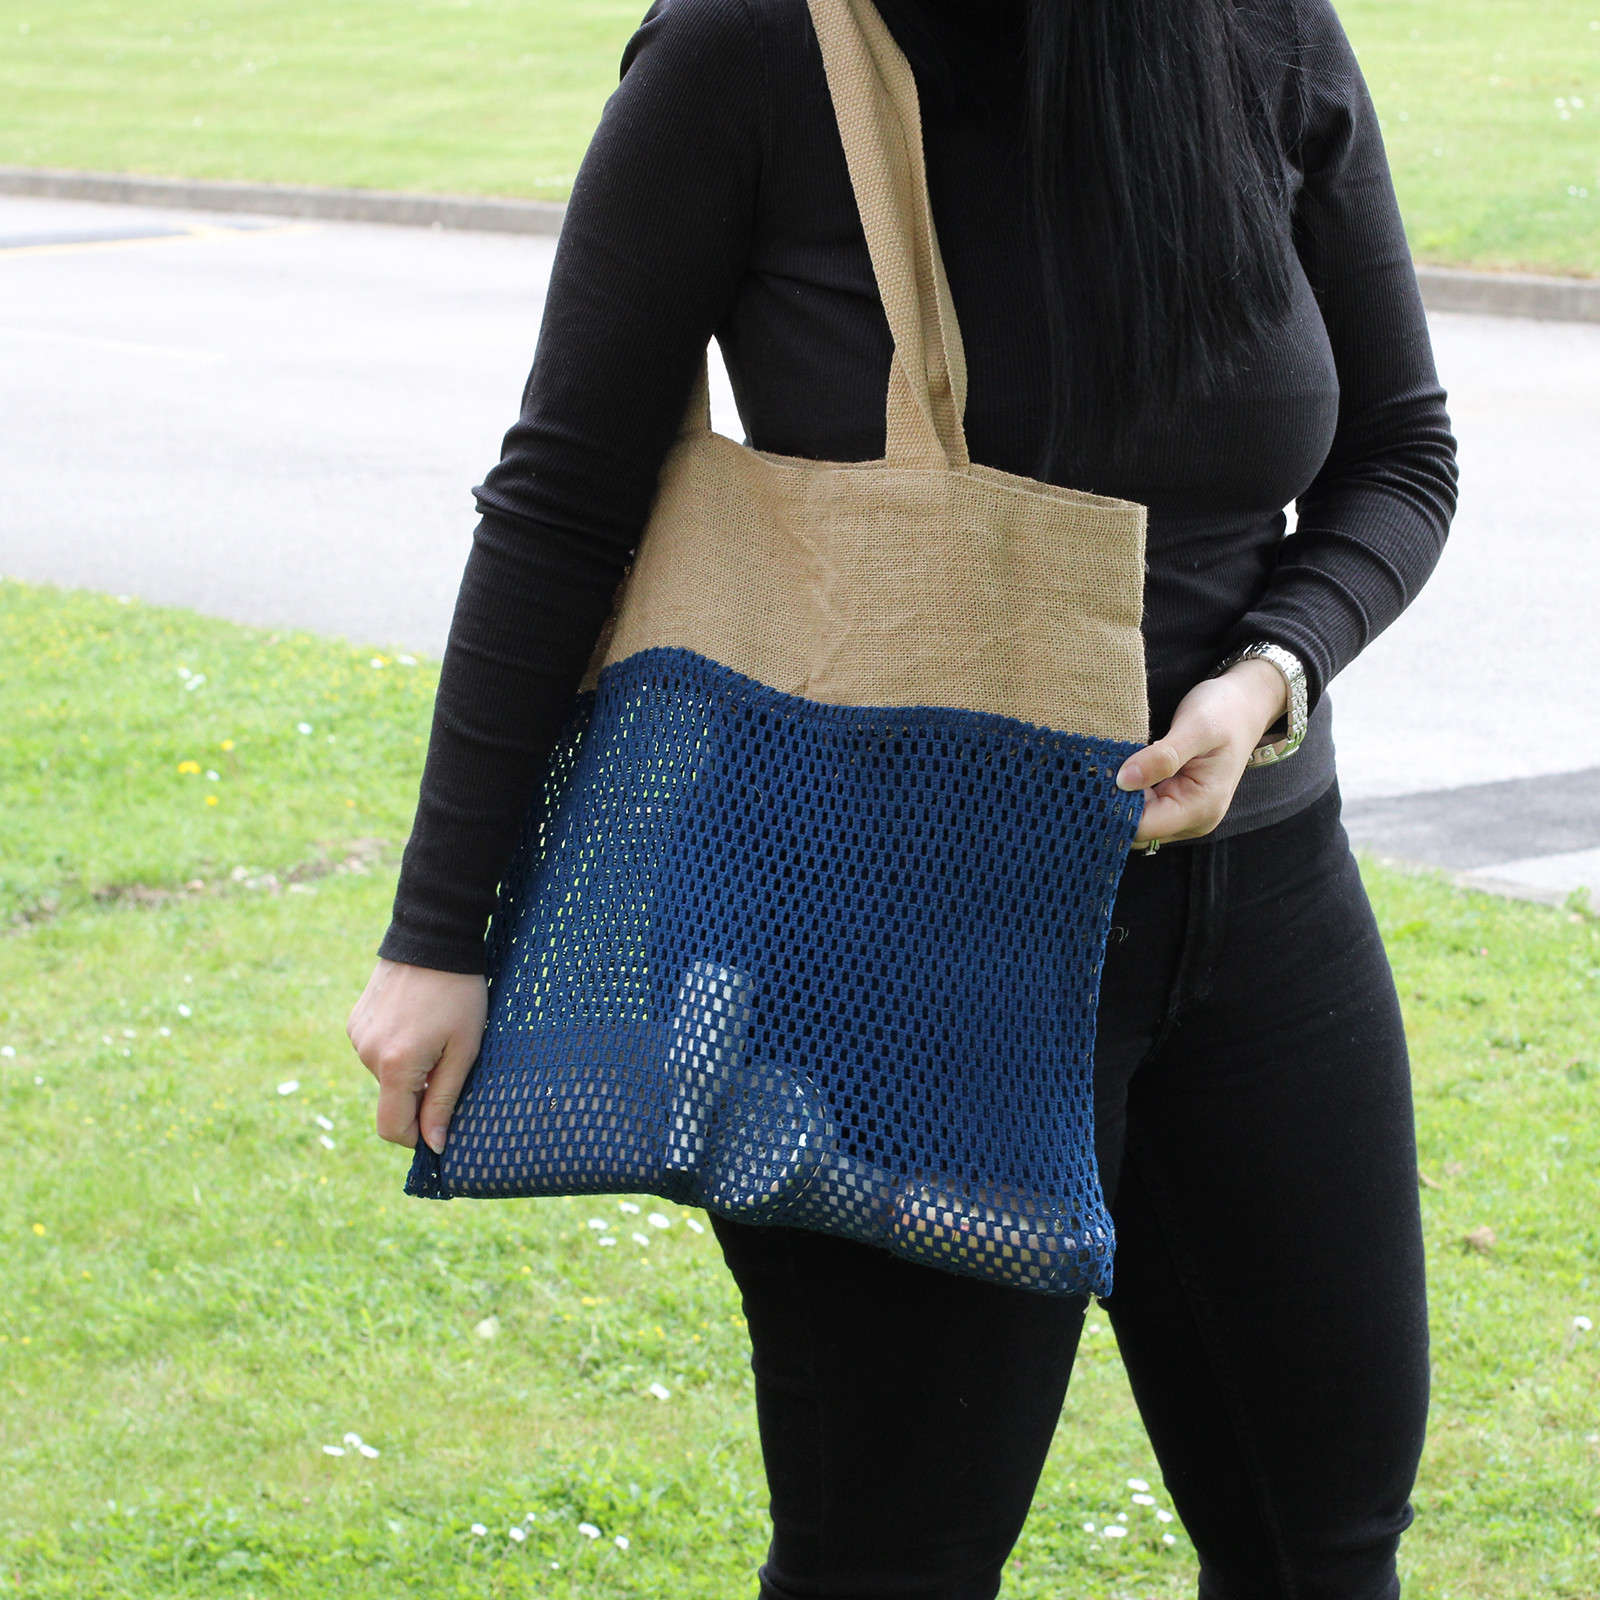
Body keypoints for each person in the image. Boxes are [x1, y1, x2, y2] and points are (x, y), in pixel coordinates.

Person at [347, 0, 1458, 1593]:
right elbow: (564, 498)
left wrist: (1272, 672)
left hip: (1263, 926)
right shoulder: (749, 47)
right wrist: (438, 932)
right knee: (895, 1558)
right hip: (885, 946)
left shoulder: (1257, 32)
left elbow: (1402, 455)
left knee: (1326, 1547)